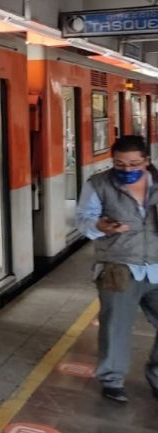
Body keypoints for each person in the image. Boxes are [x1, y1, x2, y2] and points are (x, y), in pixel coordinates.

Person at [76, 135, 158, 403]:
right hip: (118, 266)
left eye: (134, 163)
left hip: (156, 265)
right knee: (115, 326)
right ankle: (112, 380)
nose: (127, 169)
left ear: (147, 160)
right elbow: (83, 220)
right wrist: (100, 226)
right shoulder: (98, 184)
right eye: (120, 164)